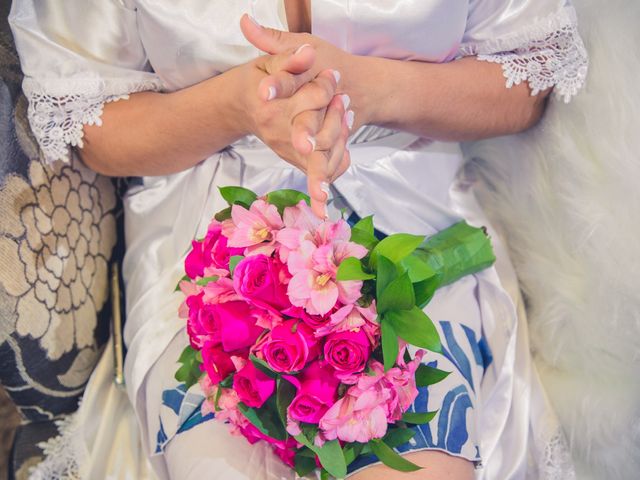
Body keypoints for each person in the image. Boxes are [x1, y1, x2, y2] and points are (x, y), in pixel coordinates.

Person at [9, 1, 588, 479]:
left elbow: (523, 80)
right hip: (208, 222)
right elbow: (93, 124)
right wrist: (237, 104)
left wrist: (368, 89)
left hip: (412, 208)